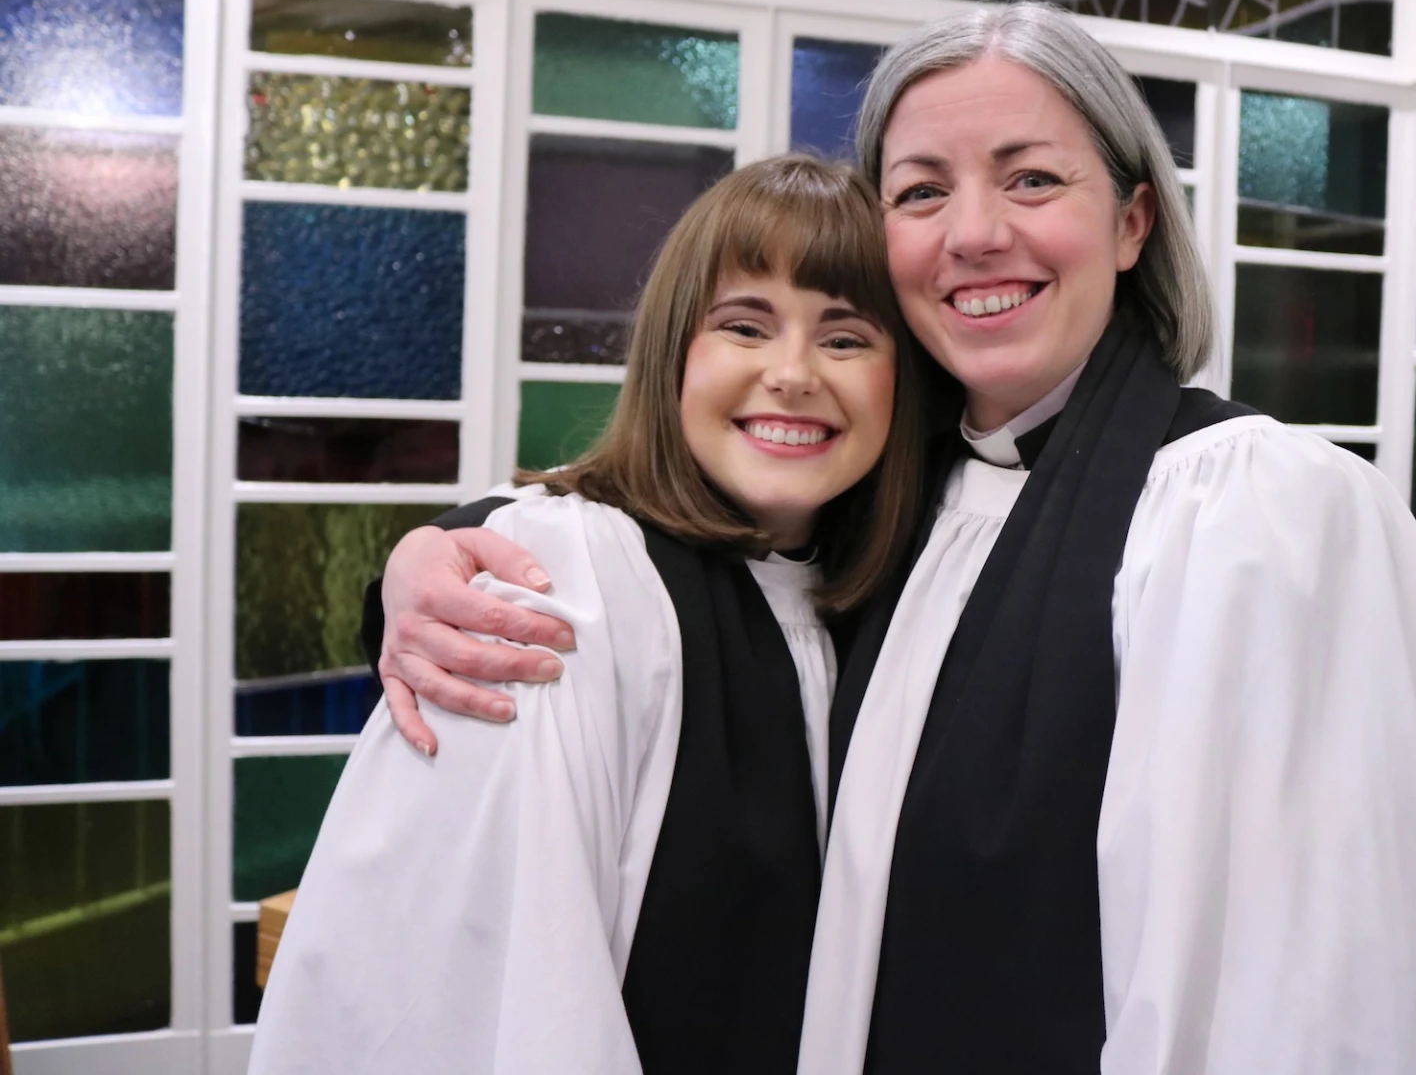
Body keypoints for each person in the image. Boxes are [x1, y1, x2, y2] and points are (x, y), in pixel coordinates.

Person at [365, 0, 1416, 1073]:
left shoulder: (1253, 512)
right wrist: (446, 550)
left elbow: (1315, 1005)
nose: (974, 232)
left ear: (1131, 221)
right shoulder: (899, 510)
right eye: (921, 192)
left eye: (1029, 178)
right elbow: (686, 547)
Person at [248, 155, 926, 1075]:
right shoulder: (574, 580)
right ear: (672, 350)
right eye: (744, 325)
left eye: (847, 338)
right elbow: (484, 991)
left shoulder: (884, 604)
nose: (794, 373)